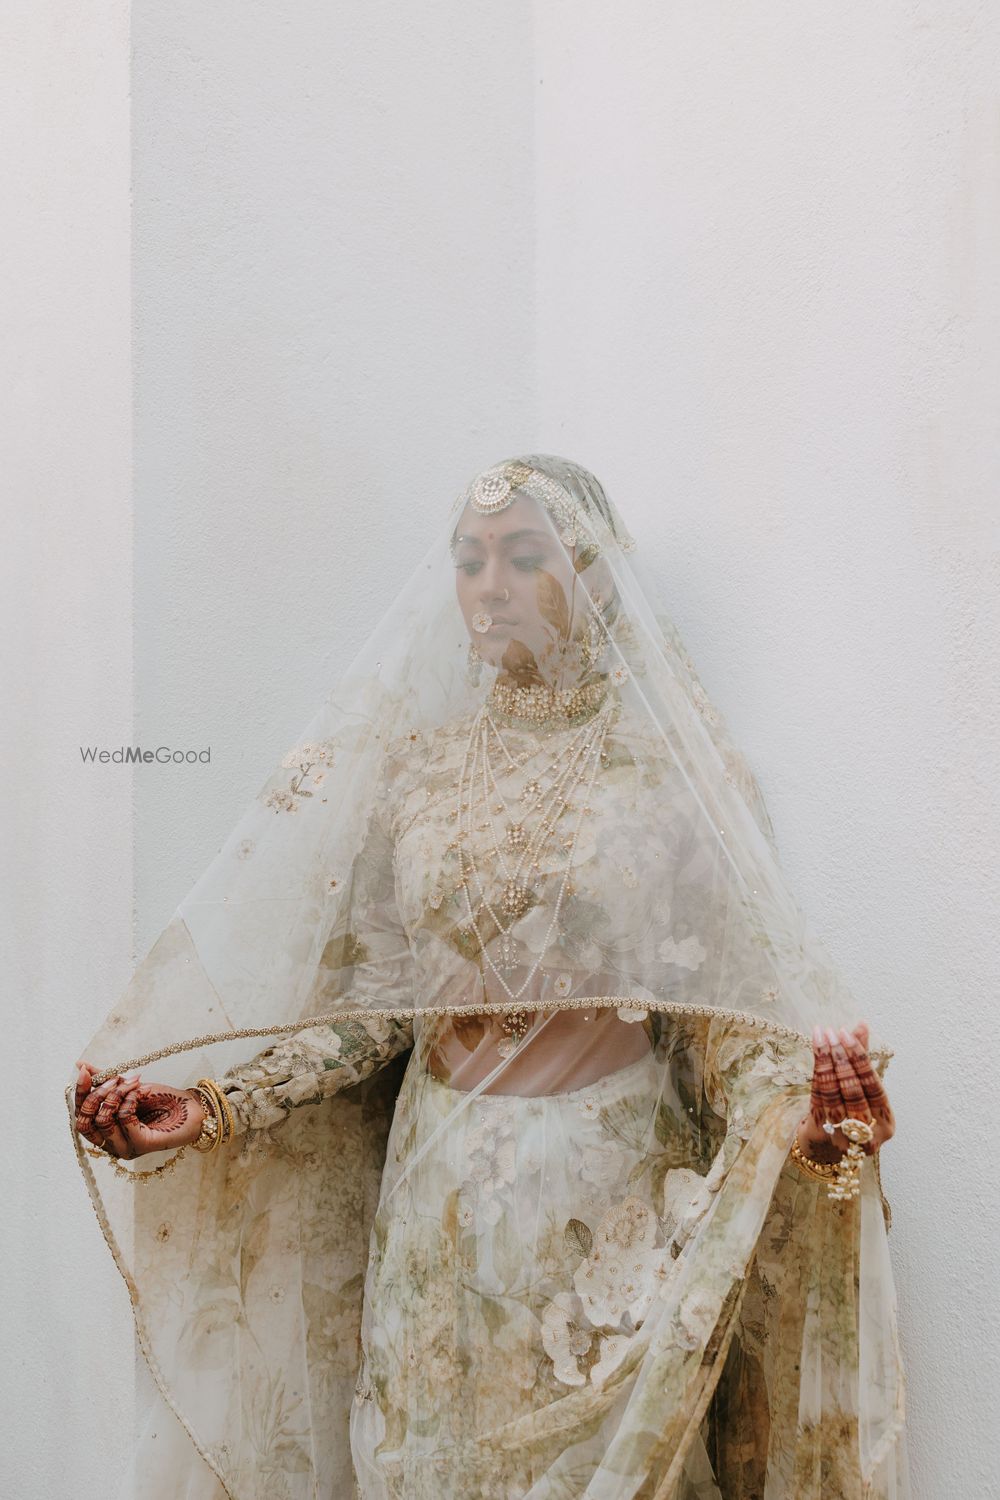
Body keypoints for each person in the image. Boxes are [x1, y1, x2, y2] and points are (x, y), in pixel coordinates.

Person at [69, 455, 908, 1500]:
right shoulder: (418, 771)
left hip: (604, 1197)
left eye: (522, 557)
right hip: (436, 1187)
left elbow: (725, 1020)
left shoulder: (673, 777)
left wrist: (809, 1121)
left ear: (597, 578)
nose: (489, 586)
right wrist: (211, 1106)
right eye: (469, 561)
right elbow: (369, 1009)